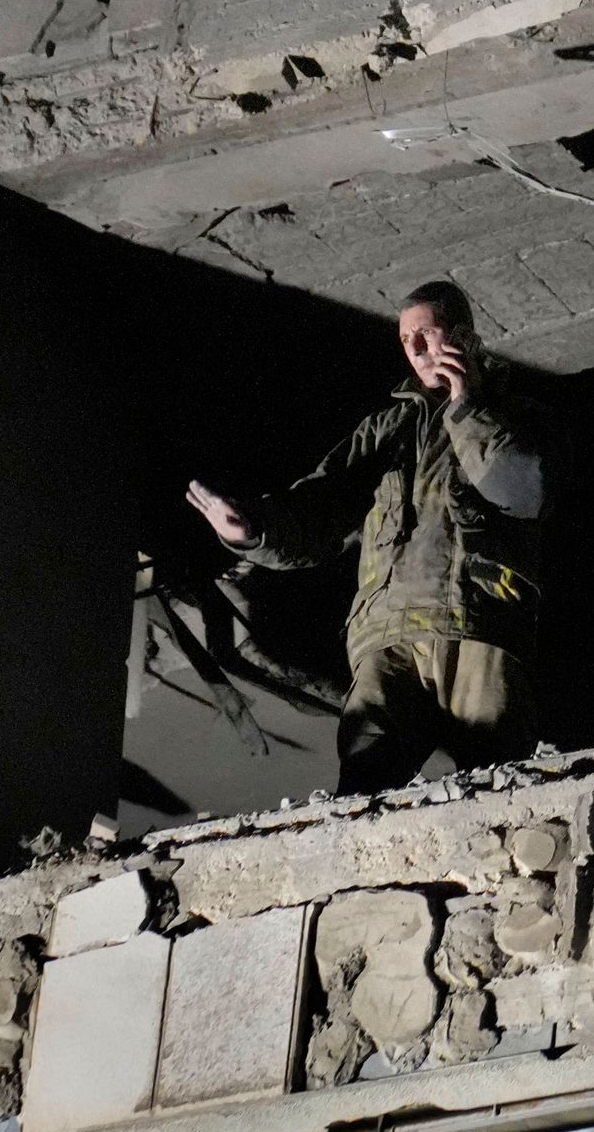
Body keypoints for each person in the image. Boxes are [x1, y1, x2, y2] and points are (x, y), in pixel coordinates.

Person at [185, 281, 547, 790]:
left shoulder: (516, 412)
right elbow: (319, 509)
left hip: (477, 625)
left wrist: (467, 407)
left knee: (498, 783)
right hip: (386, 637)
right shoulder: (385, 429)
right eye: (406, 340)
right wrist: (253, 530)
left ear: (462, 335)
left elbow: (517, 489)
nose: (417, 349)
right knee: (362, 790)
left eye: (427, 333)